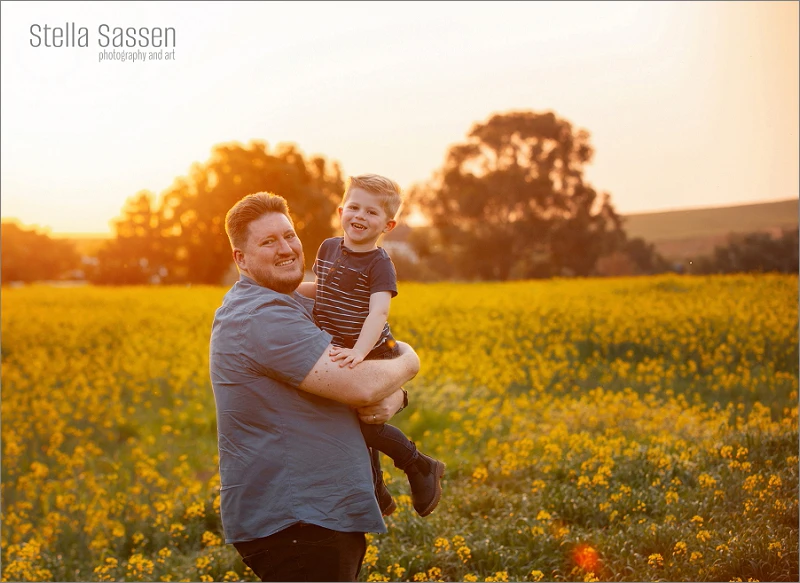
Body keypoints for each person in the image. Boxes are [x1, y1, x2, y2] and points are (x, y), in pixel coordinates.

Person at [209, 191, 421, 582]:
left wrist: (394, 396)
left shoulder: (285, 302)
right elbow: (359, 387)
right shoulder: (261, 317)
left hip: (316, 516)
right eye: (268, 242)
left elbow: (358, 327)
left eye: (289, 235)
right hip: (297, 522)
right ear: (241, 259)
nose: (286, 248)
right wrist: (410, 360)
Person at [297, 174, 445, 518]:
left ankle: (420, 466)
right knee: (355, 422)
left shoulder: (379, 263)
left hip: (376, 347)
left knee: (366, 422)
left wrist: (359, 354)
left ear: (388, 224)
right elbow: (322, 290)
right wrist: (282, 291)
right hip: (349, 347)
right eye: (354, 207)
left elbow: (378, 311)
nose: (360, 216)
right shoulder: (328, 248)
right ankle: (377, 490)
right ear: (341, 210)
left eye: (372, 213)